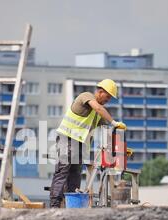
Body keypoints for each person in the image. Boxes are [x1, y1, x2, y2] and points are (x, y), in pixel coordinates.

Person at [49, 79, 127, 208]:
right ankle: (54, 205)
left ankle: (72, 206)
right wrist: (114, 122)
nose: (107, 100)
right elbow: (98, 108)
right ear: (100, 91)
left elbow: (109, 129)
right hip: (67, 139)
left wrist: (122, 148)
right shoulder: (86, 96)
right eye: (107, 97)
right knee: (63, 172)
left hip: (79, 145)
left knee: (75, 175)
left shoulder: (97, 115)